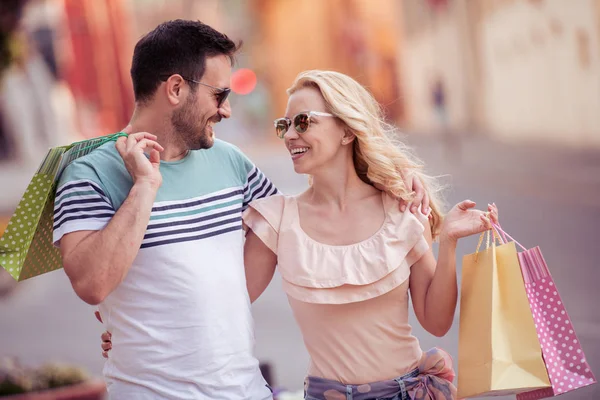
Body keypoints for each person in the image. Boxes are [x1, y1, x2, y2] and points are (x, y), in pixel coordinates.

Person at [57, 20, 427, 399]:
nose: (228, 110)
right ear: (176, 88)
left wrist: (393, 178)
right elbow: (92, 283)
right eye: (219, 95)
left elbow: (309, 210)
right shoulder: (90, 172)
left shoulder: (232, 163)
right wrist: (145, 187)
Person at [241, 70, 498, 400]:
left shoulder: (401, 210)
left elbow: (436, 322)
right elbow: (226, 305)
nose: (290, 134)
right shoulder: (276, 220)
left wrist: (447, 241)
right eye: (284, 125)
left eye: (303, 122)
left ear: (347, 131)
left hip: (407, 392)